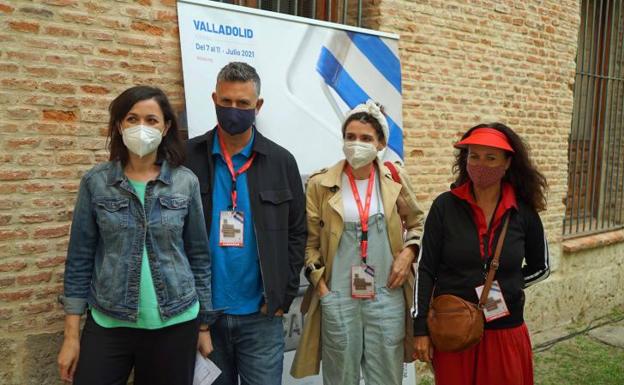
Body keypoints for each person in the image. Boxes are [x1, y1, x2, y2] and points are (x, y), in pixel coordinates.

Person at [56, 86, 215, 385]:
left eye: (152, 120)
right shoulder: (96, 183)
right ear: (119, 125)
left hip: (176, 321)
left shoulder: (185, 182)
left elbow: (199, 257)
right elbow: (79, 259)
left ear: (166, 126)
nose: (142, 127)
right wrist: (71, 336)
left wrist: (204, 326)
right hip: (109, 320)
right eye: (132, 118)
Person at [185, 62, 307, 385]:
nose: (234, 110)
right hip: (204, 317)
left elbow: (298, 231)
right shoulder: (188, 157)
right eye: (226, 102)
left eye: (243, 104)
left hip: (261, 317)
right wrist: (196, 317)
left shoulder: (282, 162)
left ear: (259, 106)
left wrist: (285, 291)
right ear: (214, 99)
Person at [291, 100, 424, 385]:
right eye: (350, 137)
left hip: (387, 295)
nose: (356, 144)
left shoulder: (395, 179)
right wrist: (323, 289)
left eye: (366, 138)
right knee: (340, 378)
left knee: (386, 377)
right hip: (338, 296)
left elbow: (417, 223)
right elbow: (309, 242)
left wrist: (409, 252)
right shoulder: (320, 184)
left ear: (380, 143)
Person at [412, 123, 551, 385]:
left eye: (491, 158)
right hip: (454, 329)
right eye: (473, 156)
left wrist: (508, 287)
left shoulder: (522, 213)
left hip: (504, 332)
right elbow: (426, 269)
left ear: (507, 163)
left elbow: (541, 266)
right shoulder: (444, 207)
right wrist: (420, 329)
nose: (480, 165)